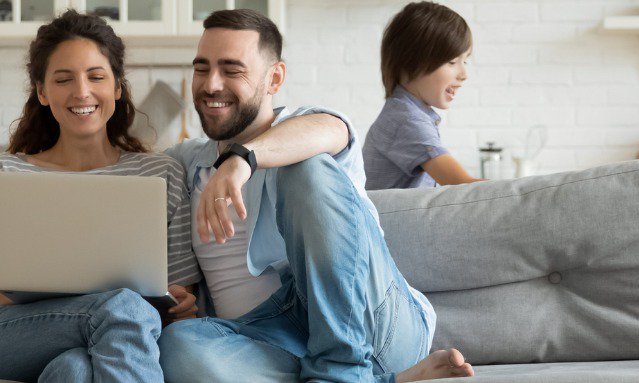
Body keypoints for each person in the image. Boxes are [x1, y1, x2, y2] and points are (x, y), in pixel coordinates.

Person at [154, 9, 474, 383]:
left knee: (305, 166)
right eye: (202, 68)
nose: (211, 84)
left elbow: (330, 129)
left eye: (231, 70)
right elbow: (125, 173)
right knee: (178, 346)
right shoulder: (185, 162)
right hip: (271, 337)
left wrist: (243, 159)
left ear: (275, 78)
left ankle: (342, 370)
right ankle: (379, 380)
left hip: (376, 325)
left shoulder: (306, 126)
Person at [0, 11, 199, 382]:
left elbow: (182, 288)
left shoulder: (161, 174)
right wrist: (38, 291)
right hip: (9, 337)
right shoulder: (3, 173)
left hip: (113, 337)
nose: (82, 92)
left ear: (118, 87)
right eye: (63, 79)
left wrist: (181, 301)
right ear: (42, 92)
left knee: (73, 371)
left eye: (96, 76)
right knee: (121, 308)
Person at [363, 1, 483, 190]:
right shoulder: (406, 120)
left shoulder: (409, 114)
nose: (464, 74)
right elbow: (464, 186)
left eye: (465, 61)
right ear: (409, 62)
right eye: (452, 62)